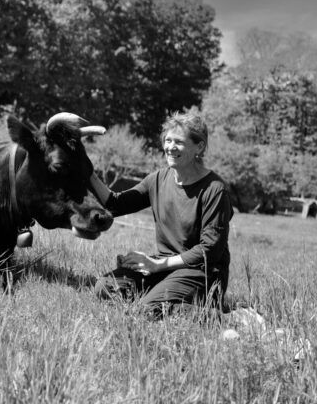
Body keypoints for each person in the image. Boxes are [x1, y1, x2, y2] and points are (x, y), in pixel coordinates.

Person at [90, 110, 232, 318]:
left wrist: (157, 265)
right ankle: (164, 300)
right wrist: (87, 172)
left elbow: (209, 250)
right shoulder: (157, 179)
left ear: (199, 147)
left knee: (146, 311)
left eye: (179, 142)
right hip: (165, 267)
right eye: (168, 140)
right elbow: (115, 204)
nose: (170, 147)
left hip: (202, 272)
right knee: (105, 287)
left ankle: (229, 317)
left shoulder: (215, 189)